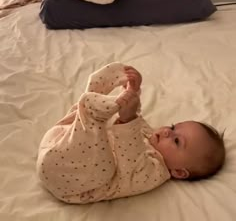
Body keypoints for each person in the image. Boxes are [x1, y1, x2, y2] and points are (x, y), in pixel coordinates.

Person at [36, 62, 225, 204]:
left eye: (176, 141)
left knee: (104, 165)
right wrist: (132, 92)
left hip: (69, 179)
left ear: (179, 172)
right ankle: (94, 96)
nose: (167, 131)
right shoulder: (150, 138)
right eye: (174, 127)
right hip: (60, 141)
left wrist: (128, 120)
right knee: (93, 122)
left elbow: (131, 159)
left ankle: (92, 111)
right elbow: (137, 120)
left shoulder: (155, 174)